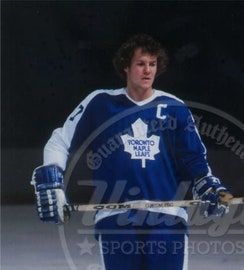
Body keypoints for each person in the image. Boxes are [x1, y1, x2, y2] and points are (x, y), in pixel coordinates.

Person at [31, 33, 233, 270]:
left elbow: (194, 157)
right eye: (140, 64)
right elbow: (59, 141)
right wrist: (51, 181)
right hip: (115, 218)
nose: (147, 70)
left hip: (167, 217)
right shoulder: (100, 102)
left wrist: (206, 184)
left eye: (152, 64)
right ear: (126, 67)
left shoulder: (174, 107)